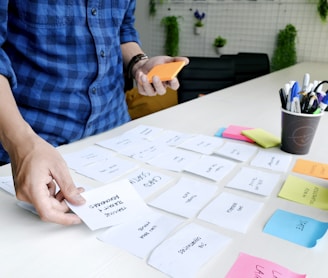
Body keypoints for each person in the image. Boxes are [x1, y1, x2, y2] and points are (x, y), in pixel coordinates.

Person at [0, 1, 188, 225]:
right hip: (33, 146)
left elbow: (123, 28)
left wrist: (139, 63)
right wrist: (22, 144)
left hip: (114, 135)